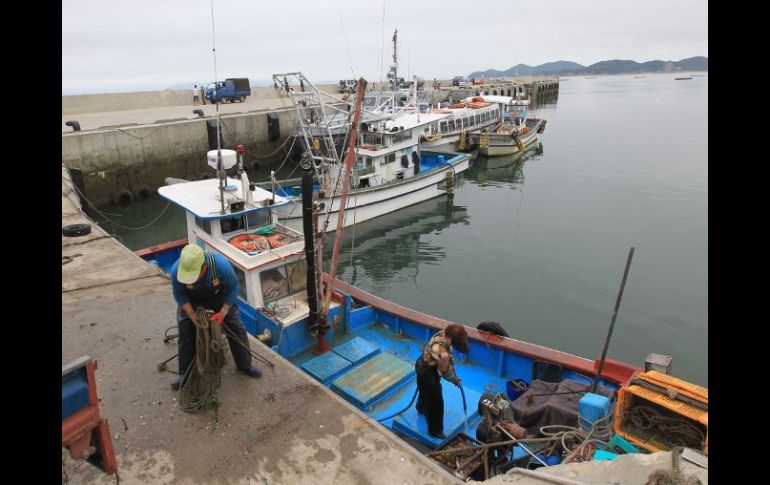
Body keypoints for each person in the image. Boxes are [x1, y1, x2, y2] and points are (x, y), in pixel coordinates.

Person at [169, 244, 261, 391]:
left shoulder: (221, 266)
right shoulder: (176, 271)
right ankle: (184, 374)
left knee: (236, 327)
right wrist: (191, 314)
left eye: (193, 276)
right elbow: (179, 293)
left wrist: (223, 312)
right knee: (185, 331)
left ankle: (245, 365)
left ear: (204, 266)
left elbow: (234, 287)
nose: (190, 281)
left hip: (219, 298)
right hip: (192, 301)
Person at [415, 324, 469, 439]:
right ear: (450, 339)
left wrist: (450, 365)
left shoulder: (443, 333)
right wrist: (454, 380)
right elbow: (444, 371)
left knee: (424, 390)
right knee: (435, 403)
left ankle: (421, 408)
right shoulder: (442, 353)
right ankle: (435, 431)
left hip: (421, 364)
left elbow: (446, 360)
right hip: (428, 373)